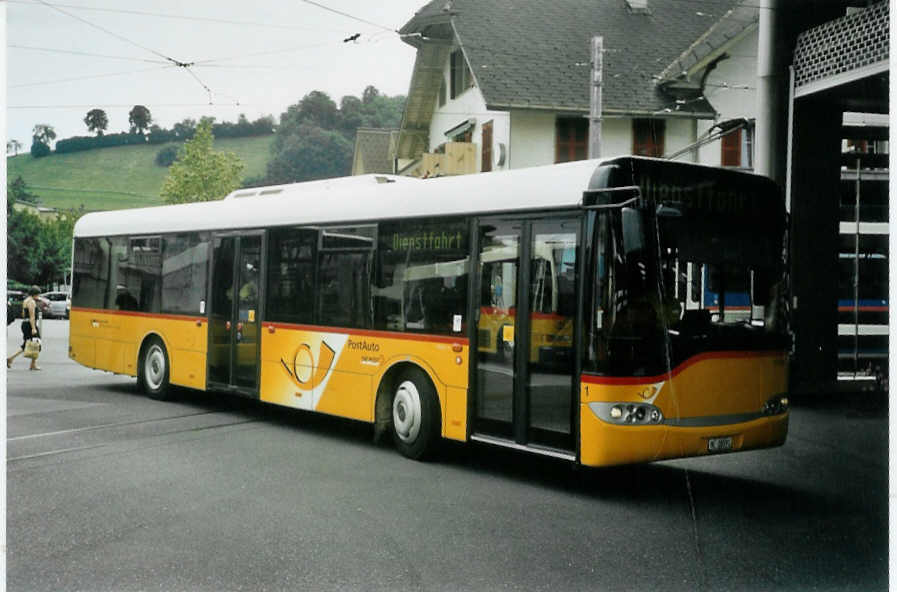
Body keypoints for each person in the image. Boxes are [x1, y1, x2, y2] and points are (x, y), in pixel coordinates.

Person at [7, 285, 42, 371]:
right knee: (37, 343)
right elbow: (32, 316)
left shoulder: (26, 301)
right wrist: (33, 328)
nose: (39, 296)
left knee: (28, 343)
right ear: (35, 294)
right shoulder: (32, 302)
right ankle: (31, 364)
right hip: (30, 325)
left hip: (25, 324)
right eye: (38, 294)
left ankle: (11, 359)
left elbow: (23, 314)